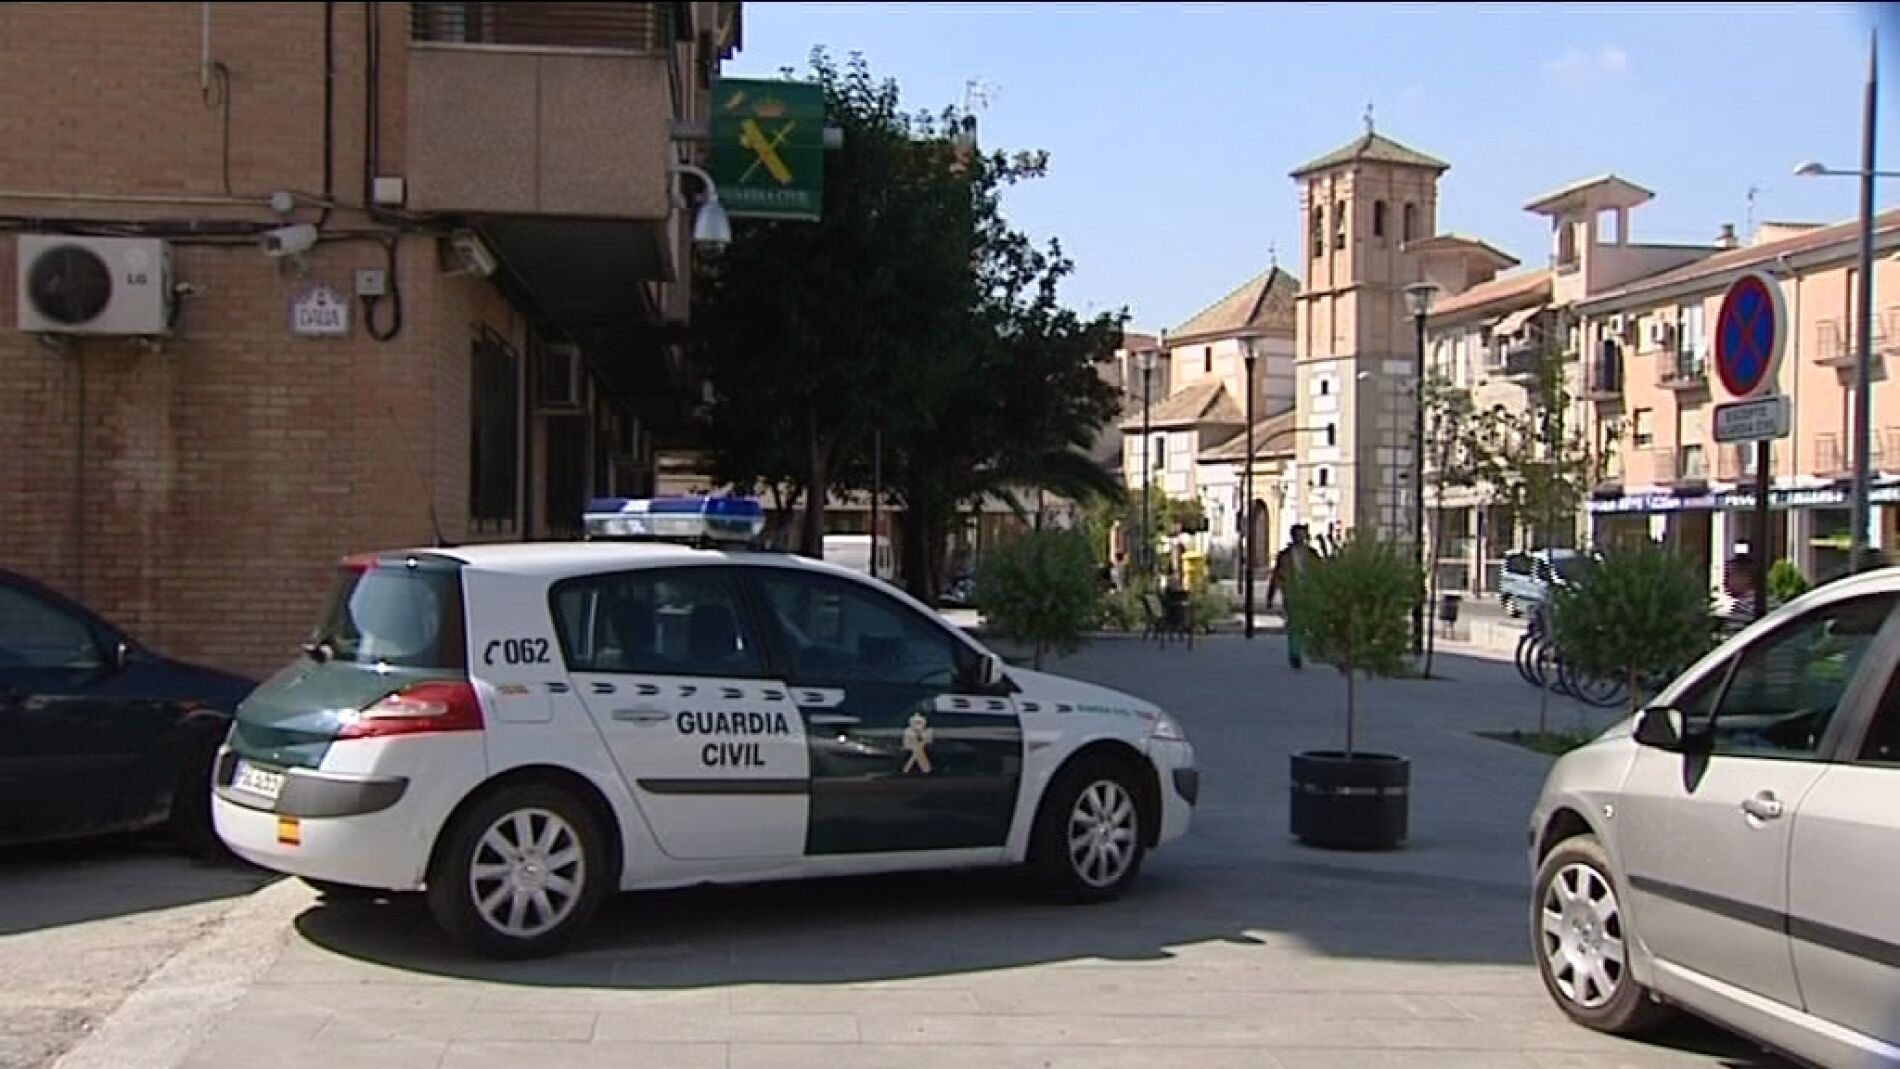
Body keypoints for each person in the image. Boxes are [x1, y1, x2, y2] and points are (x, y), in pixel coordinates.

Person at [1266, 525, 1318, 669]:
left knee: (1307, 624)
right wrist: (1270, 595)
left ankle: (1302, 648)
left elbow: (1321, 573)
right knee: (1294, 625)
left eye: (1303, 535)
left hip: (1309, 593)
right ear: (1293, 537)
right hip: (1292, 593)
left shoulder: (1312, 555)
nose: (1301, 538)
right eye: (1299, 535)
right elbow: (1276, 576)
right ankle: (1295, 653)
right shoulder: (1285, 556)